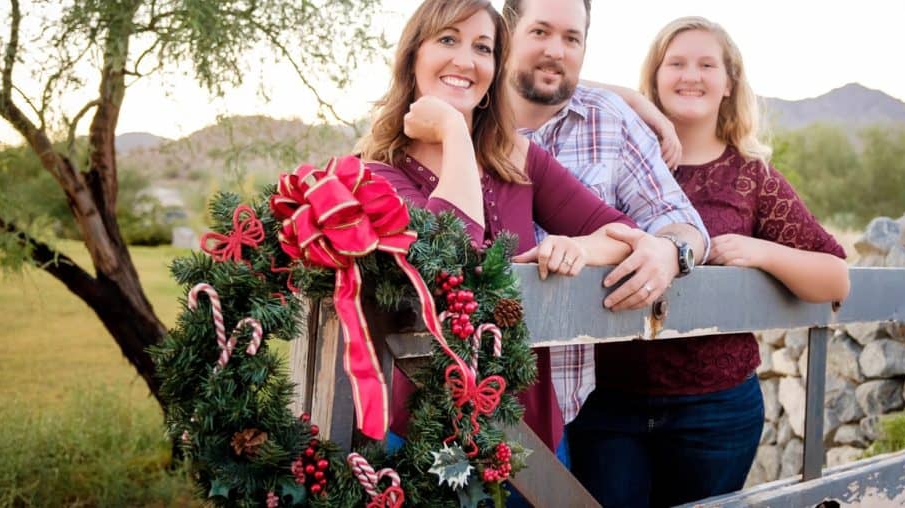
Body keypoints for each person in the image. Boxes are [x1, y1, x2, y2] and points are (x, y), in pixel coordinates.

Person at [566, 16, 851, 507]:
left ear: (728, 82)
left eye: (706, 64)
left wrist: (763, 252)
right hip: (607, 401)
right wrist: (632, 103)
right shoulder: (621, 157)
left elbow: (835, 277)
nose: (689, 75)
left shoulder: (751, 176)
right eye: (674, 63)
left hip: (715, 410)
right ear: (654, 77)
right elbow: (542, 77)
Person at [357, 0, 639, 455]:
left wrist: (579, 249)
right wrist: (451, 128)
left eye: (483, 48)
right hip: (423, 440)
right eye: (448, 39)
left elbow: (625, 234)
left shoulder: (520, 160)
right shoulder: (376, 174)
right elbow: (451, 254)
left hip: (531, 435)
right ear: (413, 57)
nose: (466, 60)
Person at [500, 0, 711, 436]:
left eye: (571, 38)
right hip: (451, 403)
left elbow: (678, 218)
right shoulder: (466, 113)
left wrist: (670, 252)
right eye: (540, 32)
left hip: (566, 408)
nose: (556, 50)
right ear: (507, 33)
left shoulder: (609, 120)